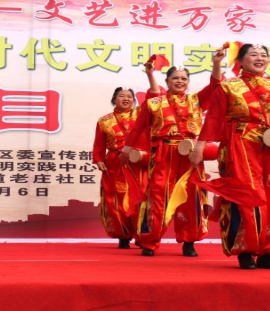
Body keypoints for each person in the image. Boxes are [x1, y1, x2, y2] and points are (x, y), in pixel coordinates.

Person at [190, 29, 270, 270]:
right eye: (253, 54)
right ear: (240, 61)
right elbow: (212, 119)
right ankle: (245, 250)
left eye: (264, 55)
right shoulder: (228, 87)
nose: (260, 58)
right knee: (247, 195)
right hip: (241, 145)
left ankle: (269, 251)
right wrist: (199, 148)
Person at [122, 49, 224, 257]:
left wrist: (216, 63)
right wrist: (126, 150)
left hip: (190, 155)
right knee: (158, 197)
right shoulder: (154, 103)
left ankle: (189, 241)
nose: (180, 81)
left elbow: (216, 85)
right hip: (162, 154)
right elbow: (138, 128)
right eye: (175, 78)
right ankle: (150, 241)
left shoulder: (197, 100)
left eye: (184, 78)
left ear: (188, 82)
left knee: (191, 197)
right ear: (167, 81)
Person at [92, 87, 144, 249]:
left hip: (138, 160)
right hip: (115, 162)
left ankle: (142, 235)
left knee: (141, 198)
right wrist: (98, 159)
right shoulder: (104, 121)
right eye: (121, 96)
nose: (126, 99)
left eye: (129, 96)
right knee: (116, 199)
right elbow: (99, 143)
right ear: (114, 99)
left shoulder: (141, 115)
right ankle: (123, 235)